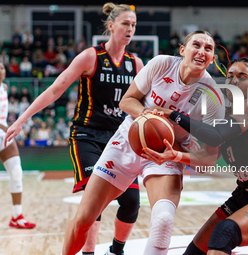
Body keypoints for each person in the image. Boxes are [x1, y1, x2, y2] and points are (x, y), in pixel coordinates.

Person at [17, 30, 224, 255]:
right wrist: (149, 116)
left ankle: (117, 249)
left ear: (212, 58)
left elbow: (211, 158)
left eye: (208, 48)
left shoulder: (212, 96)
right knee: (85, 219)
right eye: (196, 45)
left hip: (168, 153)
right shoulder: (161, 64)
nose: (202, 51)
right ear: (183, 50)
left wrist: (177, 156)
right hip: (129, 140)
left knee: (163, 221)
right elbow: (127, 101)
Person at [5, 3, 144, 255]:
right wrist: (22, 119)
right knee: (96, 199)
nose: (130, 29)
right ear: (111, 26)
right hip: (87, 135)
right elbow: (56, 89)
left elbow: (148, 102)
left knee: (132, 201)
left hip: (120, 139)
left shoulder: (136, 64)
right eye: (125, 23)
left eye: (133, 25)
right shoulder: (91, 56)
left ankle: (116, 250)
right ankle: (88, 253)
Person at [142, 58, 248, 255]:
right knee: (194, 252)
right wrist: (176, 155)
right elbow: (208, 159)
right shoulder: (223, 115)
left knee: (225, 231)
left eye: (242, 77)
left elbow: (215, 136)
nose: (234, 81)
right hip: (243, 194)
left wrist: (173, 114)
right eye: (230, 76)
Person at [0, 62, 36, 229]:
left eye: (2, 67)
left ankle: (17, 216)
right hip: (3, 131)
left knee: (16, 173)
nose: (0, 70)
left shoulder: (4, 88)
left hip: (3, 135)